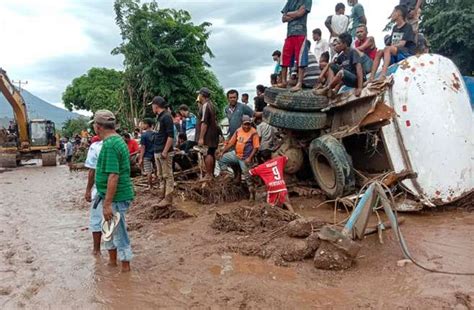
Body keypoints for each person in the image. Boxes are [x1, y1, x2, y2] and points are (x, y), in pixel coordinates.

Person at [92, 110, 134, 272]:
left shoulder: (110, 145)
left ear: (98, 127)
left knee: (118, 231)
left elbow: (113, 175)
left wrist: (107, 204)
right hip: (112, 196)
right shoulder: (118, 141)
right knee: (109, 229)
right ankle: (113, 263)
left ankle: (125, 267)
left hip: (115, 197)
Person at [369, 5, 416, 82]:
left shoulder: (408, 26)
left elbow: (402, 44)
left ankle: (383, 75)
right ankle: (371, 77)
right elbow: (391, 43)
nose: (392, 14)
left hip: (406, 51)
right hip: (395, 50)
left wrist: (389, 48)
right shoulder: (394, 28)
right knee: (379, 52)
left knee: (387, 49)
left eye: (393, 12)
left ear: (399, 13)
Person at [218, 115, 259, 200]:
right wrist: (223, 151)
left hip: (245, 158)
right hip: (236, 155)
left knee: (248, 176)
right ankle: (228, 176)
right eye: (245, 124)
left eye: (248, 124)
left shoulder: (253, 132)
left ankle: (252, 194)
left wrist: (249, 158)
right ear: (241, 124)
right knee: (222, 159)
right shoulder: (238, 131)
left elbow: (256, 147)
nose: (247, 126)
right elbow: (231, 143)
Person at [316, 33, 365, 98]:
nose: (338, 46)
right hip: (347, 78)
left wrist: (359, 87)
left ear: (345, 44)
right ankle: (330, 90)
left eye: (339, 43)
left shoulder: (353, 52)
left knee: (342, 72)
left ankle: (326, 89)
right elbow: (331, 64)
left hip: (356, 79)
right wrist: (321, 75)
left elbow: (359, 70)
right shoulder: (341, 55)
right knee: (332, 66)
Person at [279, 0, 312, 92]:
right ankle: (284, 81)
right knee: (285, 57)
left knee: (301, 59)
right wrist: (295, 13)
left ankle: (299, 83)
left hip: (301, 33)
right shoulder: (290, 1)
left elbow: (300, 13)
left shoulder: (307, 0)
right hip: (290, 34)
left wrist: (289, 14)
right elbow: (283, 18)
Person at [150, 96, 175, 206]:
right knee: (160, 175)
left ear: (156, 106)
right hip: (157, 150)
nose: (152, 108)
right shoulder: (159, 118)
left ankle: (168, 197)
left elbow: (170, 136)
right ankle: (162, 195)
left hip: (164, 151)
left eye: (152, 106)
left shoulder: (166, 117)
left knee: (167, 174)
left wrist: (165, 151)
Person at [195, 87, 220, 180]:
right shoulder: (211, 105)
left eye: (199, 94)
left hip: (208, 134)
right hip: (213, 133)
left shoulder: (206, 105)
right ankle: (211, 174)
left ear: (202, 95)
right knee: (211, 152)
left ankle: (209, 174)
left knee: (207, 153)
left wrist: (201, 137)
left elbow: (204, 122)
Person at [84, 135, 103, 255]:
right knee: (116, 220)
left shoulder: (95, 147)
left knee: (96, 219)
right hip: (119, 190)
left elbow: (92, 171)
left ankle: (96, 250)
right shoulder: (119, 144)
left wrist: (88, 190)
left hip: (100, 190)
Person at [138, 118, 155, 190]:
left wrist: (141, 158)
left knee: (148, 171)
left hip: (147, 155)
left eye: (143, 124)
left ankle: (150, 186)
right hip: (155, 154)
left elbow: (143, 147)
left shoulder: (144, 135)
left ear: (147, 125)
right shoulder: (155, 133)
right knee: (156, 170)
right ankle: (158, 183)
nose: (142, 125)